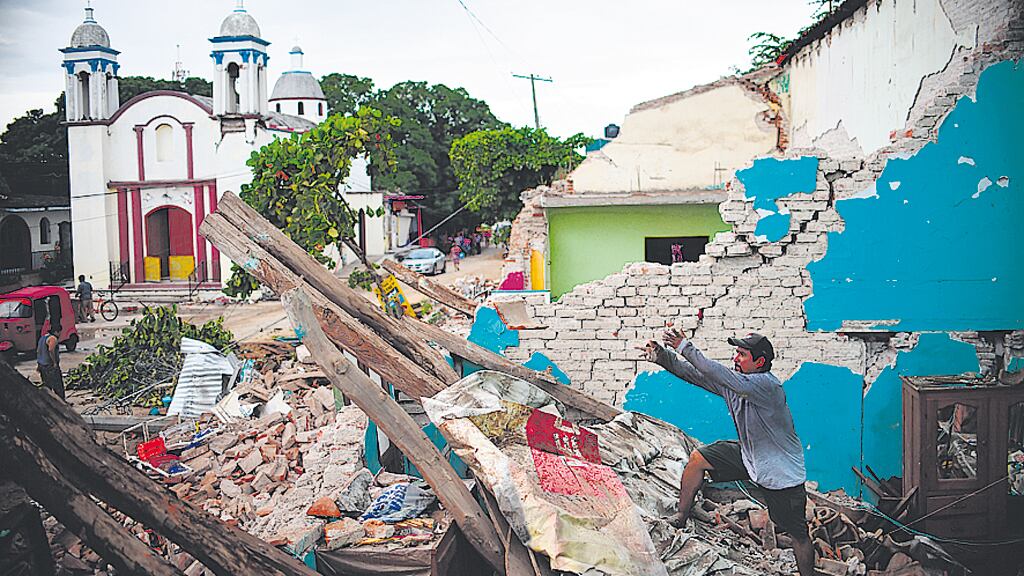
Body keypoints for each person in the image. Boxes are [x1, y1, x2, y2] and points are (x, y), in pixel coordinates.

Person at [640, 331, 814, 576]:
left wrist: (684, 347)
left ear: (760, 362)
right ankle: (681, 515)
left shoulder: (767, 386)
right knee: (698, 459)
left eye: (742, 355)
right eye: (736, 353)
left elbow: (712, 370)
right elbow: (694, 374)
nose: (736, 359)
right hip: (751, 457)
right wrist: (661, 356)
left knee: (798, 534)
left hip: (780, 473)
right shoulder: (736, 385)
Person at [37, 323, 64, 399]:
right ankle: (61, 403)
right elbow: (51, 349)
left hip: (42, 365)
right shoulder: (53, 338)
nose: (60, 334)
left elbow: (38, 351)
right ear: (56, 331)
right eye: (60, 332)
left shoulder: (43, 338)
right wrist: (54, 362)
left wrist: (38, 364)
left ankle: (49, 401)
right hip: (50, 366)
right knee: (58, 386)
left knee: (47, 386)